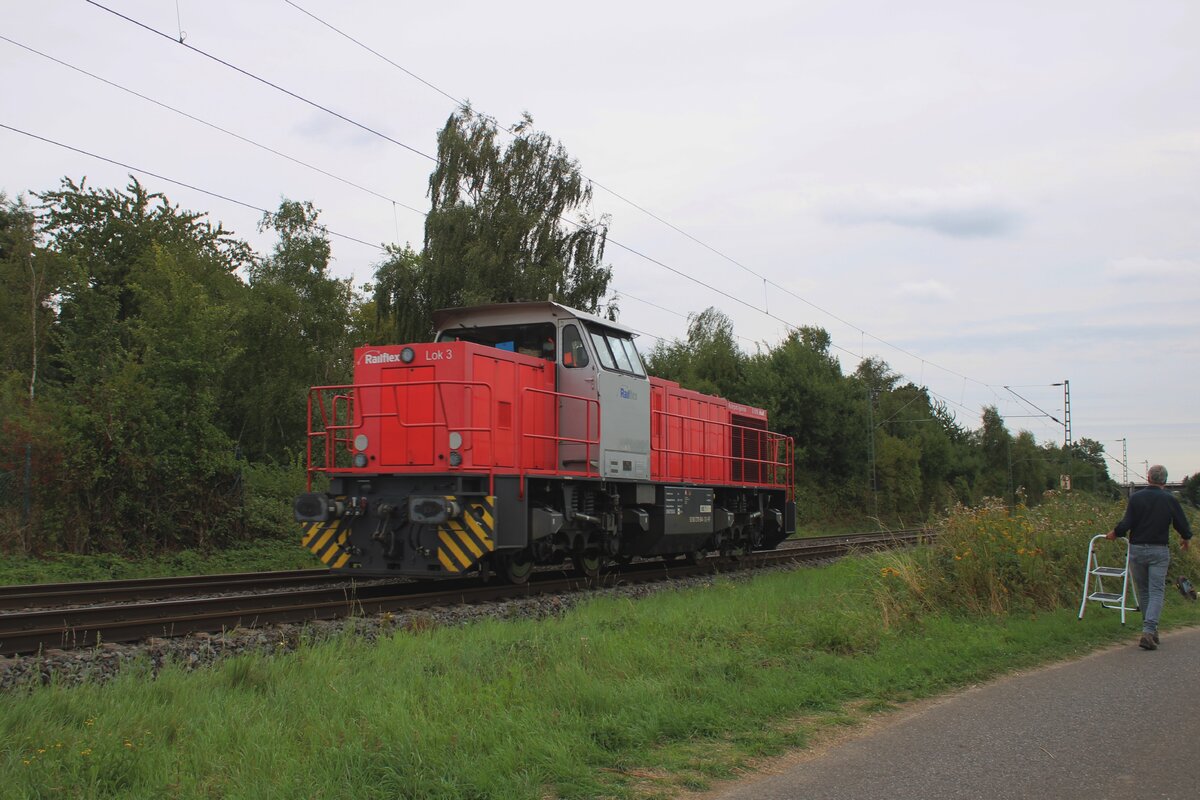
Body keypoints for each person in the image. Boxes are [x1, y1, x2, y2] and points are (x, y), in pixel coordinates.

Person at [1106, 464, 1193, 650]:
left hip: (1136, 549)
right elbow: (1181, 524)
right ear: (1165, 480)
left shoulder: (1136, 498)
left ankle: (1151, 631)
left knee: (1144, 591)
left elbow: (1127, 522)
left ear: (1148, 478)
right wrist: (1186, 538)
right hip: (1158, 550)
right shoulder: (1169, 499)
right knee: (1156, 591)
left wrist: (1115, 532)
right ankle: (1149, 630)